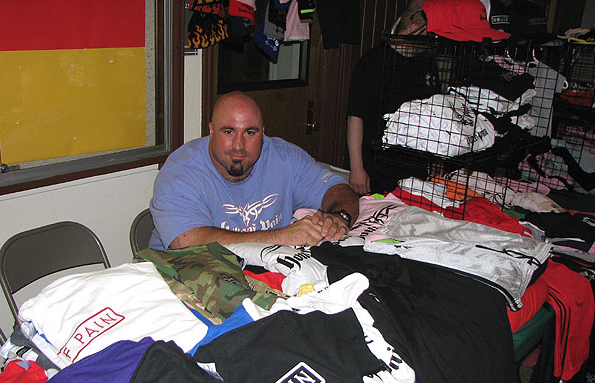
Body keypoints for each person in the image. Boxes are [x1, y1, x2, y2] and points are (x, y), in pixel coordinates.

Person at [149, 91, 359, 250]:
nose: (238, 145)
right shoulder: (180, 173)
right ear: (211, 131)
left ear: (263, 133)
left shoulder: (284, 157)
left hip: (263, 274)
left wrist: (339, 216)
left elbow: (338, 189)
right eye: (229, 131)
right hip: (186, 277)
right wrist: (281, 237)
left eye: (250, 132)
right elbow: (187, 243)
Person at [346, 0, 440, 195]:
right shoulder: (373, 63)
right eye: (429, 33)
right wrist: (357, 168)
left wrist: (436, 159)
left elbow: (435, 115)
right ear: (415, 28)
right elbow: (355, 117)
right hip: (378, 166)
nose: (432, 40)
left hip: (416, 168)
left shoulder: (427, 64)